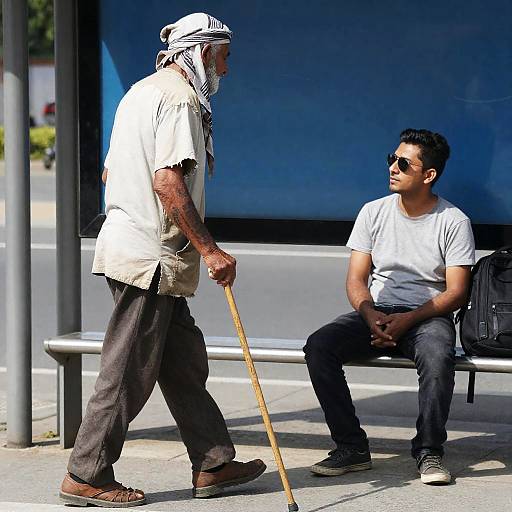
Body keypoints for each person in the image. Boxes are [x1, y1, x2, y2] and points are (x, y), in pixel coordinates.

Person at [59, 13, 266, 507]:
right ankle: (85, 473)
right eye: (225, 56)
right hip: (151, 259)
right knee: (127, 369)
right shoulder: (179, 98)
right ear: (203, 50)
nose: (227, 69)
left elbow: (112, 172)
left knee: (182, 362)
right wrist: (210, 249)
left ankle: (213, 462)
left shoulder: (140, 92)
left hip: (145, 252)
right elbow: (168, 183)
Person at [304, 128, 475, 485]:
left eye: (403, 163)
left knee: (437, 356)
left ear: (428, 175)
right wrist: (370, 315)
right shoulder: (373, 212)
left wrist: (407, 319)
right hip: (377, 309)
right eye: (391, 159)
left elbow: (456, 292)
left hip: (427, 314)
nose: (392, 168)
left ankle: (429, 452)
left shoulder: (453, 221)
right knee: (319, 346)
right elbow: (356, 279)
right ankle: (351, 447)